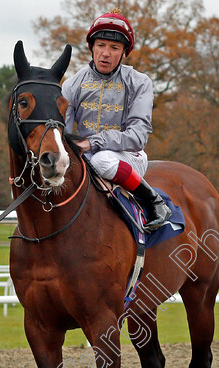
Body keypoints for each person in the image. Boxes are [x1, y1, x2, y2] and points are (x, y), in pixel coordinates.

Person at [61, 9, 171, 232]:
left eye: (114, 48)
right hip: (84, 155)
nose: (106, 53)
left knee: (101, 161)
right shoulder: (72, 84)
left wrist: (93, 142)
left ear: (123, 53)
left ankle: (153, 201)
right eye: (100, 45)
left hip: (128, 157)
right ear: (92, 47)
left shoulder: (140, 82)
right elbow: (62, 130)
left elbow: (138, 137)